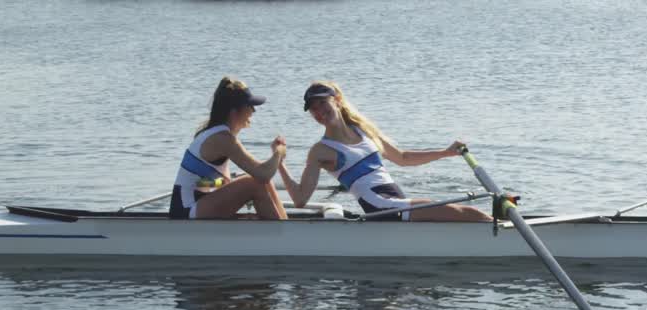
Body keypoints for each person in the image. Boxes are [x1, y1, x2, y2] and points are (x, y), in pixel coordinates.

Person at [277, 82, 490, 222]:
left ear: (338, 101)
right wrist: (280, 163)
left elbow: (403, 158)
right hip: (381, 207)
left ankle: (501, 226)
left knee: (465, 215)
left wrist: (445, 152)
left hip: (394, 203)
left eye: (323, 103)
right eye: (313, 109)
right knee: (466, 213)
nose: (319, 112)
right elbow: (300, 199)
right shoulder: (320, 151)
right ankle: (509, 233)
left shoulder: (362, 129)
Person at [170, 77, 287, 220]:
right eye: (249, 106)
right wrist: (278, 152)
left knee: (262, 182)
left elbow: (201, 183)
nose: (253, 111)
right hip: (185, 210)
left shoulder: (215, 133)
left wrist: (229, 183)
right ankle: (283, 234)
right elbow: (264, 173)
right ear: (234, 111)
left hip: (197, 201)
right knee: (255, 183)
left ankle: (285, 228)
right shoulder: (222, 138)